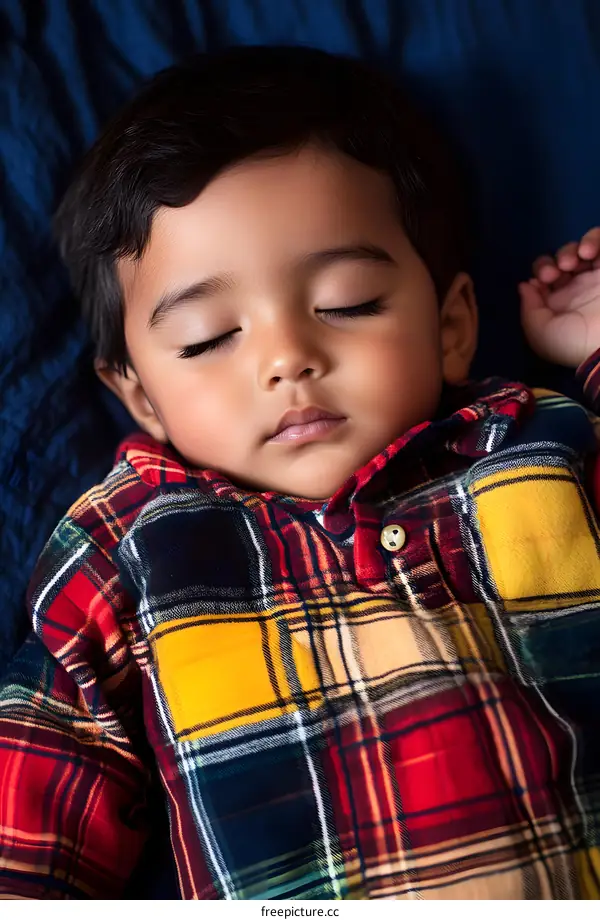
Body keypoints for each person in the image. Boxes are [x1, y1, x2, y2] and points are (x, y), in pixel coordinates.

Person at [1, 44, 599, 901]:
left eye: (348, 302)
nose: (288, 359)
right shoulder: (128, 553)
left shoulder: (536, 448)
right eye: (209, 337)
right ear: (142, 398)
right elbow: (29, 814)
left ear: (451, 325)